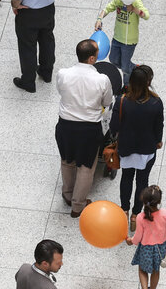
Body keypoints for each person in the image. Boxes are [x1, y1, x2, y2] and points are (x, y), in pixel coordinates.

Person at [55, 40, 114, 217]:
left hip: (65, 125)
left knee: (67, 160)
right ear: (91, 58)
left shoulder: (63, 73)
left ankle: (67, 194)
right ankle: (78, 205)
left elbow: (60, 91)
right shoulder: (102, 79)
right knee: (86, 167)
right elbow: (107, 102)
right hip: (89, 129)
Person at [110, 66, 164, 232]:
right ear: (148, 82)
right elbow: (158, 126)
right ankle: (135, 215)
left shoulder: (122, 101)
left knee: (126, 178)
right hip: (147, 149)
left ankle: (123, 211)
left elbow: (114, 126)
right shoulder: (156, 102)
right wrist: (158, 141)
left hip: (126, 147)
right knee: (142, 181)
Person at [125, 185, 166, 289]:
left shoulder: (140, 217)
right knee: (155, 270)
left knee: (142, 269)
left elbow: (138, 236)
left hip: (146, 248)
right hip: (160, 247)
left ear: (143, 201)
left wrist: (131, 241)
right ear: (159, 201)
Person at [95, 0, 150, 85]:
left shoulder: (135, 0)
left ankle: (127, 85)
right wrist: (99, 19)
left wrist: (133, 9)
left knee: (125, 68)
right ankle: (135, 68)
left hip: (129, 41)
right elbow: (107, 9)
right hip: (117, 37)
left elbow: (146, 15)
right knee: (113, 60)